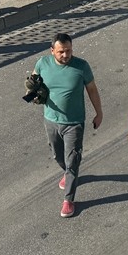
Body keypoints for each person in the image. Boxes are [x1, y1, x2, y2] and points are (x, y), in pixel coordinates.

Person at [34, 32, 102, 218]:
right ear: (52, 51)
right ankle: (69, 173)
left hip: (74, 123)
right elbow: (33, 84)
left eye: (69, 51)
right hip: (51, 119)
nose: (65, 55)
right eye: (61, 52)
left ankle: (69, 200)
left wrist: (99, 113)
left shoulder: (81, 67)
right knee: (57, 155)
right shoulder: (43, 63)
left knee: (72, 160)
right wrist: (32, 93)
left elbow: (92, 90)